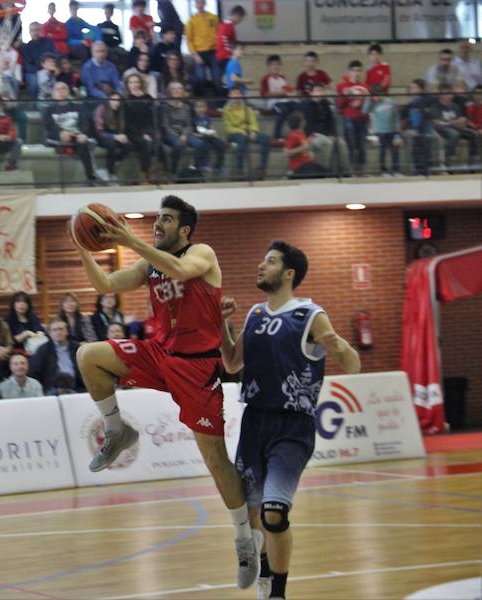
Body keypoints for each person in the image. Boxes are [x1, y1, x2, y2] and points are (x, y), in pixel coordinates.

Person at [74, 195, 263, 591]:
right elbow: (105, 284)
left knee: (215, 461)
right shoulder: (149, 264)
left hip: (198, 368)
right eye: (157, 217)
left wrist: (129, 241)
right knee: (88, 355)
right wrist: (83, 246)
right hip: (160, 355)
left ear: (185, 230)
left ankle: (245, 538)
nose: (158, 224)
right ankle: (117, 429)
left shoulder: (202, 254)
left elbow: (178, 267)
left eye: (167, 219)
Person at [220, 241, 360, 600]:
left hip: (291, 426)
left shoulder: (310, 314)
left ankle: (278, 593)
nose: (260, 266)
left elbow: (352, 364)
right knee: (254, 516)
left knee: (274, 515)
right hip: (254, 422)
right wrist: (223, 326)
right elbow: (233, 364)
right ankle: (265, 580)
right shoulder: (254, 313)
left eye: (269, 261)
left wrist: (338, 346)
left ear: (288, 273)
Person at [43, 81, 97, 185]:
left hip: (76, 136)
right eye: (57, 89)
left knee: (84, 144)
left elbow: (84, 122)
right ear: (53, 93)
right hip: (58, 137)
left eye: (63, 88)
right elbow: (49, 127)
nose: (60, 92)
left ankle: (91, 178)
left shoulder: (78, 107)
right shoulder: (49, 109)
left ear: (68, 92)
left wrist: (83, 133)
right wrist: (60, 133)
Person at [224, 87, 269, 179]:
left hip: (248, 131)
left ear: (241, 95)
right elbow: (229, 128)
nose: (236, 96)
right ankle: (239, 170)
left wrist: (253, 131)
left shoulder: (247, 108)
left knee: (266, 138)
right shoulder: (226, 110)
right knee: (242, 139)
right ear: (229, 96)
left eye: (238, 94)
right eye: (233, 94)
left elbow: (253, 122)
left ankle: (262, 168)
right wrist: (241, 131)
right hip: (234, 133)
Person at [30, 319, 85, 394]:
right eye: (54, 330)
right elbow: (34, 372)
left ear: (67, 331)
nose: (58, 332)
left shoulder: (76, 347)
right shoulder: (43, 349)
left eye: (61, 329)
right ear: (49, 333)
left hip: (76, 387)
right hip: (53, 388)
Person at [431, 83, 479, 170]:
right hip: (443, 129)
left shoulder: (455, 106)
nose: (449, 96)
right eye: (446, 93)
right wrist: (454, 122)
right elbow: (437, 123)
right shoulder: (435, 106)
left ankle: (473, 164)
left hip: (456, 128)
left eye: (450, 93)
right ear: (440, 95)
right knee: (454, 134)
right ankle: (449, 162)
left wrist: (459, 122)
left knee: (473, 134)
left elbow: (461, 121)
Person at [336, 60, 370, 176]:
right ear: (349, 72)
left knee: (362, 146)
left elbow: (369, 103)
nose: (357, 73)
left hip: (363, 119)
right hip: (349, 118)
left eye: (359, 71)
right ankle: (352, 171)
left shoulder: (366, 86)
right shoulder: (342, 86)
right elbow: (339, 105)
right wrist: (345, 95)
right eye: (354, 70)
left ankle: (362, 171)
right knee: (352, 145)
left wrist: (361, 103)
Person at [363, 84, 402, 176]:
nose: (376, 98)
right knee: (382, 152)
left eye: (377, 95)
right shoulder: (373, 104)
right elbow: (364, 111)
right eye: (374, 96)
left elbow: (396, 118)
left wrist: (397, 134)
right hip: (380, 132)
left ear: (382, 94)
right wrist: (369, 99)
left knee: (395, 152)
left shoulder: (391, 102)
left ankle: (396, 170)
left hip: (392, 131)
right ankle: (383, 171)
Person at [259, 55, 299, 142]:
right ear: (268, 66)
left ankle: (301, 134)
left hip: (285, 101)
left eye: (277, 64)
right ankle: (276, 135)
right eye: (272, 64)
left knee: (300, 106)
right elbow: (264, 95)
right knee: (283, 110)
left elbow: (286, 91)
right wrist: (277, 93)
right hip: (273, 104)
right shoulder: (265, 79)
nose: (275, 66)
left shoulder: (283, 78)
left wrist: (289, 93)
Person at [94, 92, 131, 182]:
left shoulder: (121, 110)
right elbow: (99, 131)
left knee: (128, 145)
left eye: (118, 100)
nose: (116, 103)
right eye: (113, 100)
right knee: (112, 144)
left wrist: (123, 136)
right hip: (101, 136)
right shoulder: (101, 109)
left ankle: (113, 163)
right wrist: (114, 137)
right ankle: (110, 172)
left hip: (116, 135)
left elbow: (123, 127)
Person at [160, 81, 193, 179]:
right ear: (169, 91)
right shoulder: (165, 106)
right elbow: (165, 125)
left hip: (184, 133)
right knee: (178, 144)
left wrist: (184, 135)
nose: (177, 91)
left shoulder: (186, 107)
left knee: (200, 144)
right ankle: (173, 172)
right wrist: (178, 136)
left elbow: (188, 124)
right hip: (170, 134)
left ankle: (197, 170)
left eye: (180, 89)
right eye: (174, 89)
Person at [186, 0, 220, 97]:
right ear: (195, 5)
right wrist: (195, 54)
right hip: (199, 53)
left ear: (205, 3)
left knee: (217, 78)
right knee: (201, 79)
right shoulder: (192, 20)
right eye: (198, 3)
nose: (200, 5)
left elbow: (219, 35)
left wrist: (218, 51)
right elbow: (189, 40)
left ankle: (220, 104)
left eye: (201, 2)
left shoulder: (213, 18)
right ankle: (202, 104)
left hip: (213, 52)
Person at [20, 22, 57, 100]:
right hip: (33, 72)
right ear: (29, 32)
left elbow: (55, 55)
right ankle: (35, 103)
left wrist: (51, 67)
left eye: (37, 30)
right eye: (32, 30)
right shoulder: (26, 47)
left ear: (41, 30)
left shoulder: (48, 42)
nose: (35, 32)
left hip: (50, 68)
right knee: (33, 81)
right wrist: (40, 71)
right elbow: (27, 65)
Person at [285, 113, 326, 179]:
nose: (305, 120)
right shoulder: (292, 135)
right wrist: (304, 147)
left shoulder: (302, 134)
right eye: (303, 119)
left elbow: (305, 149)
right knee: (325, 174)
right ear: (301, 123)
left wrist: (309, 143)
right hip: (299, 167)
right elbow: (286, 153)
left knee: (326, 172)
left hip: (308, 164)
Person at [190, 98, 226, 175]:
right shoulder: (193, 118)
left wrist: (215, 133)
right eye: (198, 107)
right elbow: (192, 131)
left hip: (209, 135)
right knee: (205, 145)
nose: (200, 109)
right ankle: (203, 165)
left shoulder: (207, 117)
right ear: (194, 108)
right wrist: (200, 135)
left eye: (202, 106)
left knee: (220, 144)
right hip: (200, 136)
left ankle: (219, 166)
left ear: (206, 108)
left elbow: (211, 126)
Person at [215, 5, 245, 90]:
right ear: (238, 16)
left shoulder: (226, 24)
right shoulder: (228, 25)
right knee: (229, 81)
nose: (240, 21)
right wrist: (231, 53)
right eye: (241, 18)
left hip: (223, 56)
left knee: (226, 80)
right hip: (225, 57)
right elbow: (224, 41)